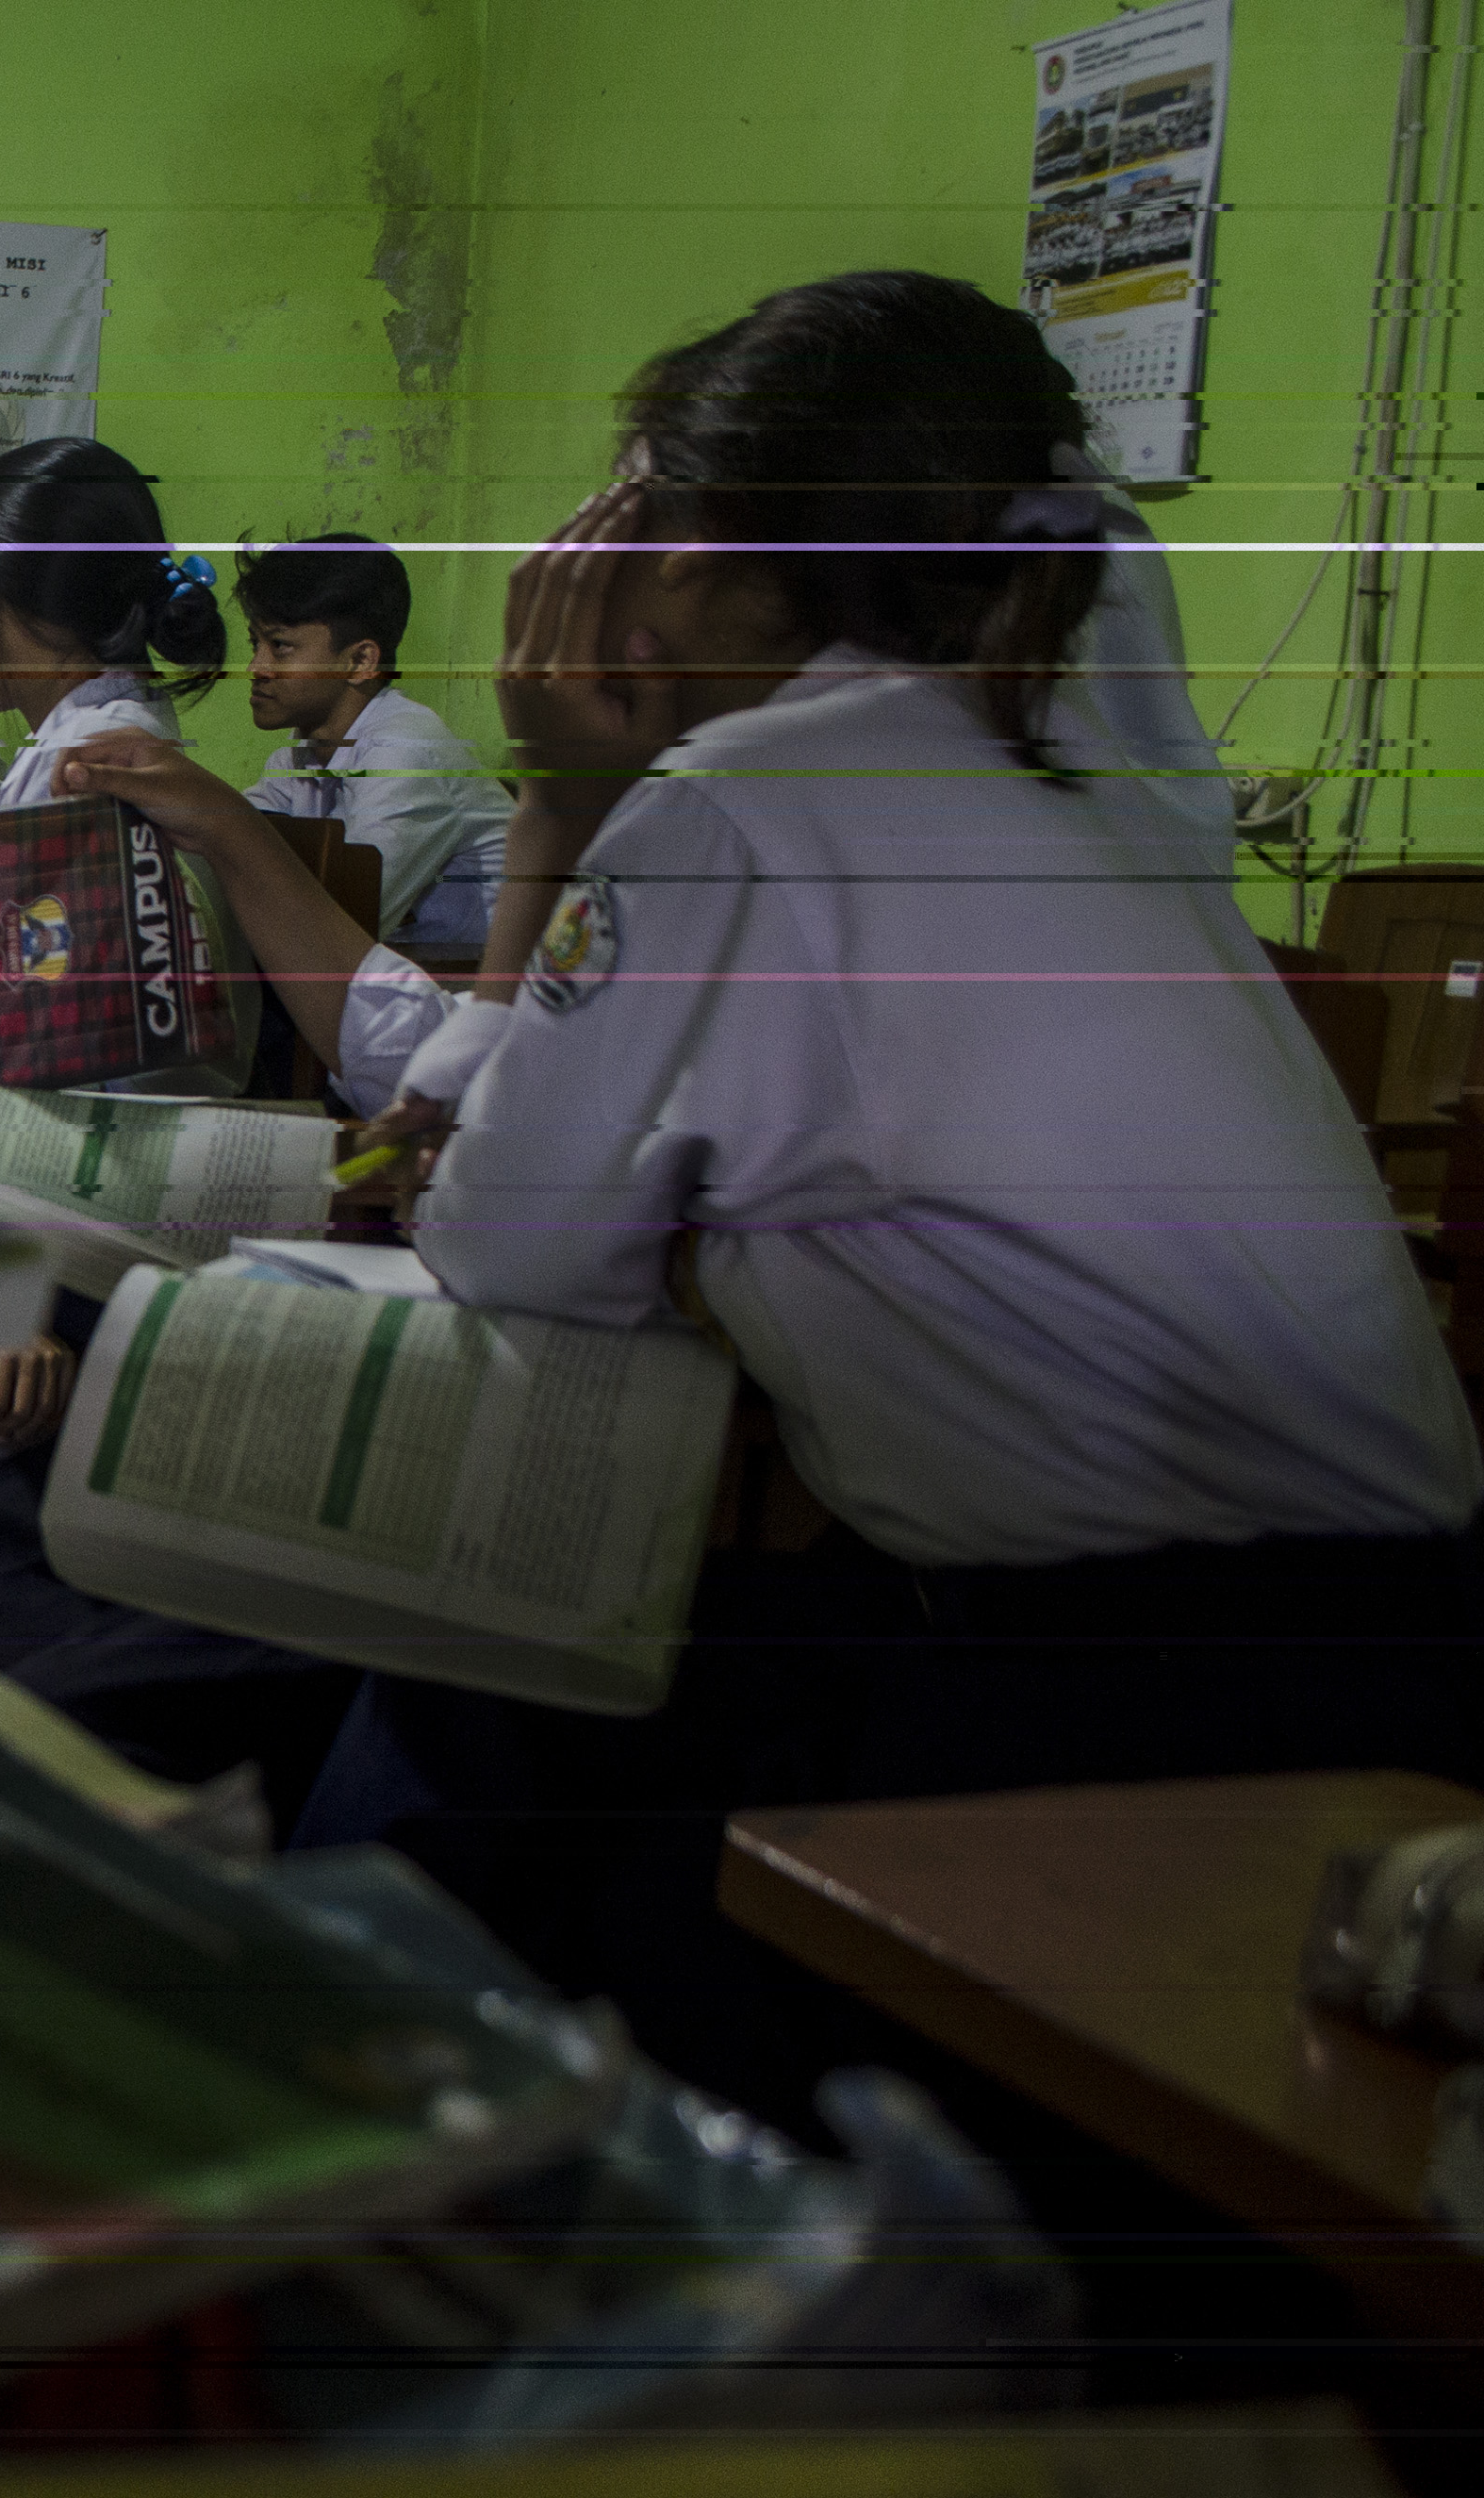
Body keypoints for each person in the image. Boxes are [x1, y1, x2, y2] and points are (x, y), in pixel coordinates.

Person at [289, 271, 1481, 2113]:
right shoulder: (1064, 784)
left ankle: (349, 2142)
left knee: (471, 1662)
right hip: (1376, 1648)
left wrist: (566, 796)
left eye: (631, 513)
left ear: (721, 555)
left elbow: (512, 1264)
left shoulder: (730, 802)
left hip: (1118, 1696)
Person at [0, 438, 363, 1802]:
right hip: (63, 1204)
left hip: (108, 1254)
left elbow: (142, 1091)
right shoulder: (69, 756)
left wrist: (37, 1286)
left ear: (11, 594)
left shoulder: (100, 786)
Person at [230, 534, 514, 947]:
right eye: (254, 644)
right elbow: (234, 846)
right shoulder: (299, 760)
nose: (256, 667)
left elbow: (344, 930)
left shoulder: (405, 749)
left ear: (361, 661)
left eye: (280, 646)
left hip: (525, 989)